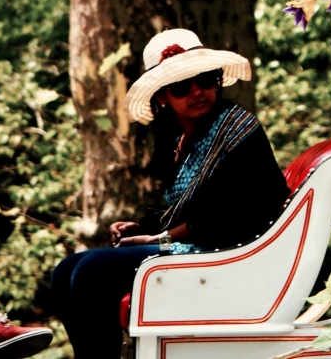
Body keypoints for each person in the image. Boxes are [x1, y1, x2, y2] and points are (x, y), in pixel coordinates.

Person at [51, 29, 290, 359]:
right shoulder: (175, 141)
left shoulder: (237, 128)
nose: (196, 91)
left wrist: (159, 239)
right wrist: (143, 230)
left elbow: (231, 213)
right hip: (196, 244)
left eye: (205, 79)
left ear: (217, 80)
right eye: (181, 86)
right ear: (162, 96)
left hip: (229, 251)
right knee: (65, 270)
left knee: (92, 272)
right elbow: (183, 209)